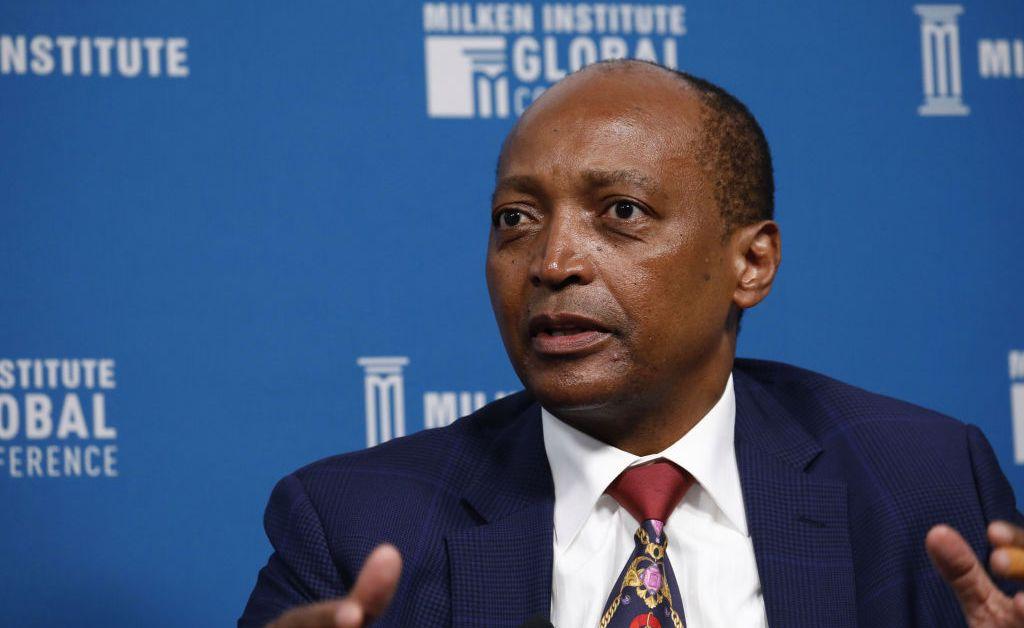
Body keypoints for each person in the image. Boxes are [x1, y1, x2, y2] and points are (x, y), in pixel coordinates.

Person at [239, 60, 1024, 627]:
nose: (552, 262)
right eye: (516, 219)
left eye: (621, 212)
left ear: (751, 263)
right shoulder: (354, 526)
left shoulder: (921, 484)